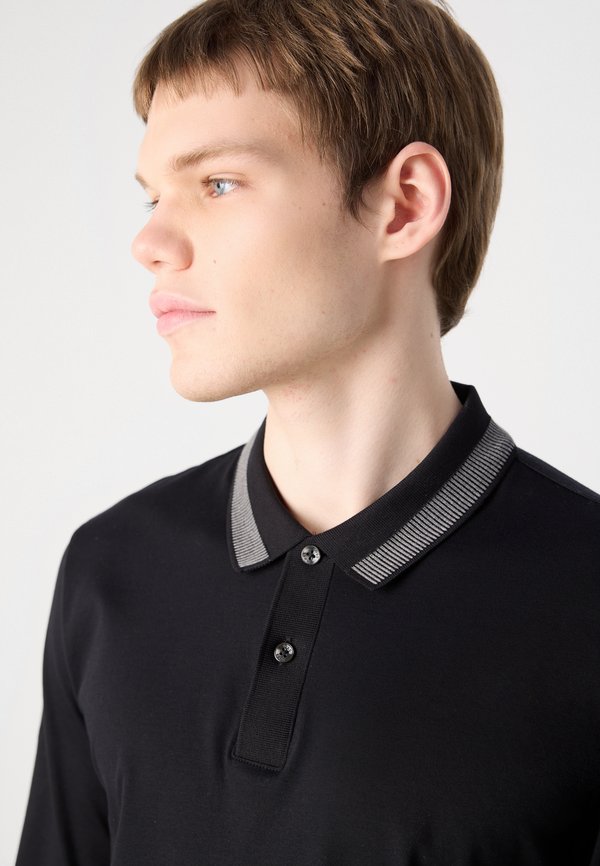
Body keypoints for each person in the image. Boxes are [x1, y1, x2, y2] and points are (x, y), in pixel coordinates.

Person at [15, 0, 600, 863]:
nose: (149, 241)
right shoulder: (112, 572)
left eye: (218, 183)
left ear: (404, 206)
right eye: (152, 195)